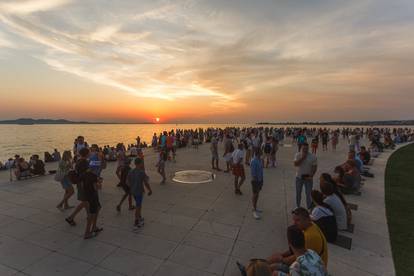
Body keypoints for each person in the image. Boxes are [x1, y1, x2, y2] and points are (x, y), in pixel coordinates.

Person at [267, 208, 328, 273]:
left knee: (272, 268)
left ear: (307, 219)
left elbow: (297, 258)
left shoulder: (310, 236)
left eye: (298, 220)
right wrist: (281, 255)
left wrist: (281, 259)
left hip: (308, 267)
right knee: (272, 261)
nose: (294, 223)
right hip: (312, 265)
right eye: (294, 220)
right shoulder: (311, 225)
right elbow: (297, 250)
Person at [65, 147, 90, 226]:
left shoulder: (79, 160)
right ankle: (71, 217)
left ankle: (88, 215)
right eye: (89, 152)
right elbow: (84, 175)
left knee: (85, 201)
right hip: (83, 183)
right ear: (87, 154)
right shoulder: (84, 162)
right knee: (85, 201)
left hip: (80, 183)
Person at [127, 158, 152, 229]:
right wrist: (150, 190)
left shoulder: (131, 171)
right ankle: (136, 222)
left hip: (133, 191)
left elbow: (127, 182)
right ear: (140, 163)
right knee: (138, 206)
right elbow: (146, 182)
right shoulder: (141, 172)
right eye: (142, 163)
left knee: (138, 204)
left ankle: (139, 217)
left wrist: (132, 186)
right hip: (139, 192)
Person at [293, 143, 317, 209]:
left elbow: (314, 167)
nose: (305, 150)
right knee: (298, 193)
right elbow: (295, 164)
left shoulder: (313, 156)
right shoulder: (297, 155)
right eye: (304, 149)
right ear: (301, 148)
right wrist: (302, 158)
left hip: (308, 178)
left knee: (308, 194)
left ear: (308, 148)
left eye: (306, 149)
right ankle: (297, 207)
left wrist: (311, 175)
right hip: (299, 177)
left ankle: (309, 207)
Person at [83, 163, 103, 239]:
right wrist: (100, 183)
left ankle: (94, 227)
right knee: (91, 214)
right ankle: (87, 233)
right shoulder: (93, 176)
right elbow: (96, 188)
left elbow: (82, 185)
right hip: (92, 196)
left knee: (98, 208)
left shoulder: (84, 174)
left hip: (87, 195)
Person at [251, 149, 264, 219]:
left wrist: (261, 180)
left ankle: (255, 207)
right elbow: (253, 173)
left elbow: (261, 170)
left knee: (257, 194)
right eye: (261, 152)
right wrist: (257, 181)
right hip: (255, 181)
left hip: (260, 180)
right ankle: (253, 210)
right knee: (255, 194)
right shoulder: (254, 161)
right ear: (258, 153)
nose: (262, 153)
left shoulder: (260, 160)